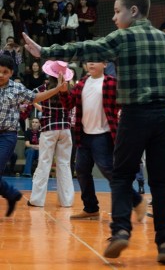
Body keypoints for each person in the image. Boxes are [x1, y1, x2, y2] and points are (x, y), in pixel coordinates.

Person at [22, 0, 165, 264]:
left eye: (117, 11)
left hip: (134, 116)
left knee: (121, 176)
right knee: (160, 182)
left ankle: (120, 230)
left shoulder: (121, 37)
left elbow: (85, 48)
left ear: (133, 11)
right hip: (163, 118)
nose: (113, 17)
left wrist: (45, 50)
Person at [59, 61, 146, 220]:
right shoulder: (82, 83)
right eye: (88, 61)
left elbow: (125, 102)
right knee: (81, 171)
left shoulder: (112, 83)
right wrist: (64, 92)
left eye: (95, 60)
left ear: (105, 64)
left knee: (109, 171)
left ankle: (137, 200)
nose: (90, 63)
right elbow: (69, 104)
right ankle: (91, 208)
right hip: (84, 136)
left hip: (103, 136)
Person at [0, 54, 67, 217]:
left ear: (11, 73)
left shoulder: (17, 89)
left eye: (5, 72)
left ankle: (11, 194)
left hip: (7, 136)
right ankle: (12, 194)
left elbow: (35, 97)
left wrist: (57, 89)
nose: (1, 75)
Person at [26, 61, 75, 207]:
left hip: (48, 129)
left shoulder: (43, 89)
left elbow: (33, 99)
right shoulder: (69, 89)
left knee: (44, 163)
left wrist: (37, 105)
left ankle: (37, 200)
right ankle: (66, 201)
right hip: (65, 129)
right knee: (64, 164)